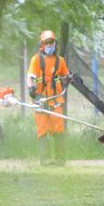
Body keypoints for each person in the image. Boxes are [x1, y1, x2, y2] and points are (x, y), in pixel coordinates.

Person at [27, 30, 71, 166]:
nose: (50, 45)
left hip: (56, 101)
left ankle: (60, 159)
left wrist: (69, 79)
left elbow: (65, 76)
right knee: (43, 129)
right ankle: (45, 160)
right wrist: (31, 89)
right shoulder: (36, 60)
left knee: (59, 128)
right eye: (47, 42)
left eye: (51, 42)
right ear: (42, 45)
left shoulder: (60, 61)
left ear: (55, 44)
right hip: (40, 101)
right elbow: (30, 77)